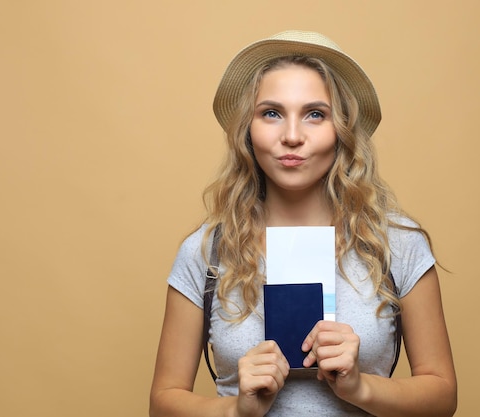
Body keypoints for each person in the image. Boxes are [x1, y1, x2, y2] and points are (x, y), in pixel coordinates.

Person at [150, 30, 457, 417]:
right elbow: (163, 402)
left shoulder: (396, 243)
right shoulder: (206, 250)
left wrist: (360, 387)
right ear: (248, 129)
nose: (292, 136)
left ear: (341, 130)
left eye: (315, 114)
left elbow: (443, 397)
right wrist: (235, 411)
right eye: (271, 113)